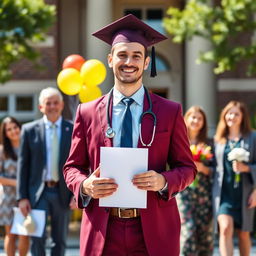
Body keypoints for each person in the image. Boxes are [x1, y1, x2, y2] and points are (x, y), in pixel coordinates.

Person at [63, 14, 196, 256]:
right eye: (122, 55)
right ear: (110, 59)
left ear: (146, 62)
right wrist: (85, 185)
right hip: (104, 229)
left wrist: (163, 181)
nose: (129, 62)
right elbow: (72, 167)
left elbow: (187, 168)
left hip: (153, 230)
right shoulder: (87, 112)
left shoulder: (169, 111)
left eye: (136, 56)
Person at [17, 87, 74, 256]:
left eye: (55, 102)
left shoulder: (72, 130)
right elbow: (23, 165)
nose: (52, 106)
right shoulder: (29, 130)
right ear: (41, 107)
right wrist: (22, 197)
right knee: (37, 239)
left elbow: (80, 163)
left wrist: (77, 193)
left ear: (62, 105)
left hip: (63, 193)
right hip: (38, 193)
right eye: (48, 103)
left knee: (60, 240)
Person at [213, 100, 256, 256]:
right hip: (224, 194)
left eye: (236, 114)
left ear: (243, 116)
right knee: (225, 228)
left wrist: (247, 168)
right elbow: (214, 167)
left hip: (246, 194)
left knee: (244, 234)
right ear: (224, 116)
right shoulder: (219, 140)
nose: (232, 116)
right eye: (229, 113)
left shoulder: (252, 137)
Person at [177, 106, 214, 256]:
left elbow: (217, 171)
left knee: (205, 233)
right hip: (184, 192)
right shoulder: (179, 140)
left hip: (204, 193)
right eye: (193, 117)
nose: (196, 121)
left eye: (199, 118)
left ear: (203, 122)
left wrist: (202, 168)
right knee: (189, 231)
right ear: (186, 119)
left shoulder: (210, 143)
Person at [0, 117, 29, 256]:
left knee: (24, 234)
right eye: (9, 129)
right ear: (5, 133)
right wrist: (18, 182)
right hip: (8, 198)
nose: (13, 131)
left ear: (20, 127)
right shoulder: (2, 151)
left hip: (26, 197)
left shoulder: (29, 146)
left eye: (15, 127)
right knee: (11, 234)